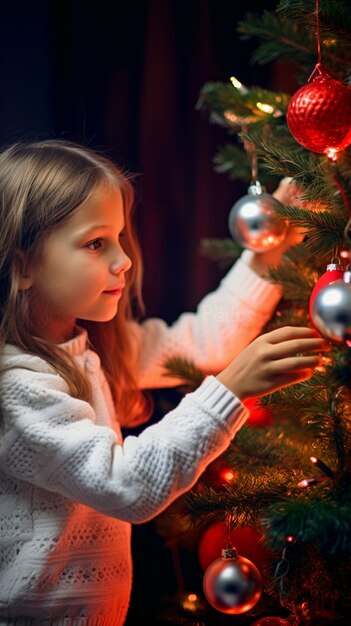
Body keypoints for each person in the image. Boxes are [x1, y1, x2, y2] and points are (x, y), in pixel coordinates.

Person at [0, 140, 329, 625]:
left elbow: (203, 340)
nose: (123, 260)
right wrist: (230, 391)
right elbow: (126, 485)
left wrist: (270, 252)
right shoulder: (15, 387)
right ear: (24, 264)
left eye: (118, 237)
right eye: (96, 243)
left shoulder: (91, 347)